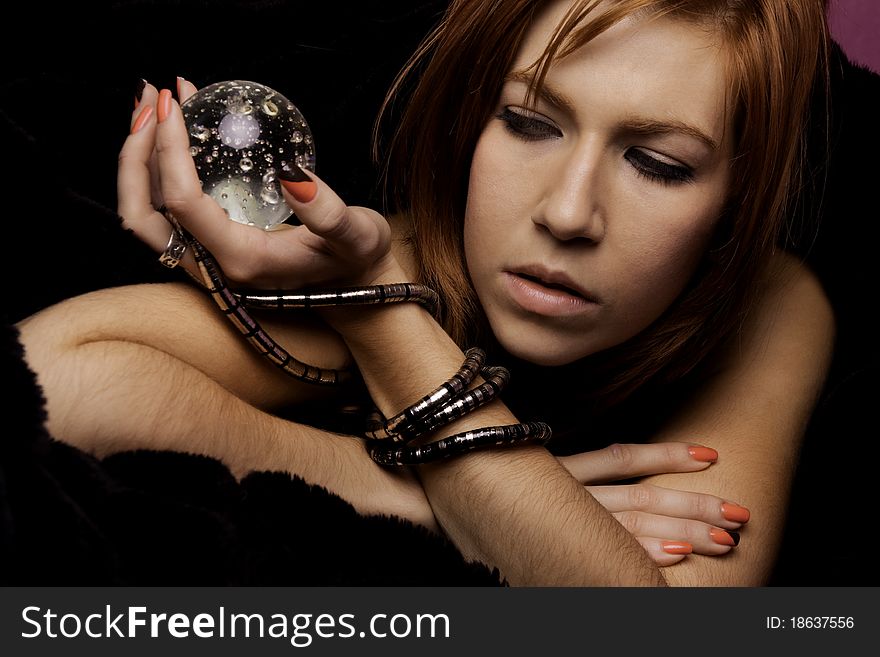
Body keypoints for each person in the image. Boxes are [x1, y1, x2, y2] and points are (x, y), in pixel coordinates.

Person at [15, 0, 834, 586]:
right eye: (529, 124)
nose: (567, 212)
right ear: (468, 120)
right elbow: (55, 378)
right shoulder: (388, 257)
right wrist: (415, 481)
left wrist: (383, 329)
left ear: (739, 199)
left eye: (657, 164)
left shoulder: (769, 301)